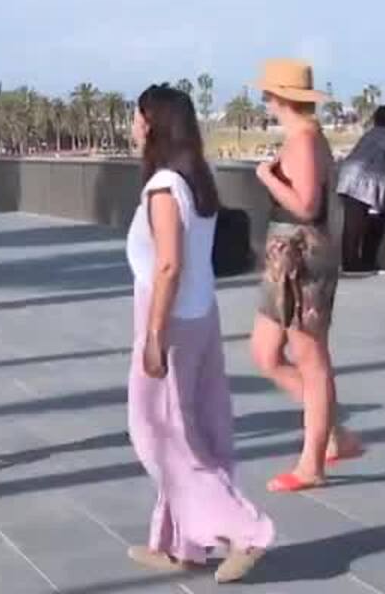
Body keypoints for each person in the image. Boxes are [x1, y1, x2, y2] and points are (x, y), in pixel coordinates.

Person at [123, 85, 273, 582]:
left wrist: (153, 336)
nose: (132, 125)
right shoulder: (195, 180)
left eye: (137, 116)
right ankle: (180, 545)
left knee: (162, 437)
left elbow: (168, 265)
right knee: (194, 430)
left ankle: (244, 531)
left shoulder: (164, 187)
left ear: (153, 124)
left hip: (171, 322)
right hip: (201, 315)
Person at [250, 59, 363, 494]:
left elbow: (306, 205)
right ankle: (335, 433)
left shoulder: (303, 139)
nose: (266, 100)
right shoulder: (301, 137)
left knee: (310, 357)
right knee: (266, 352)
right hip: (286, 257)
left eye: (268, 94)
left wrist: (265, 176)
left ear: (279, 97)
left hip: (301, 257)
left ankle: (312, 462)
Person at [337, 104, 385, 274]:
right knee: (371, 225)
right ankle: (362, 262)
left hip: (348, 180)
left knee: (354, 227)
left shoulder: (370, 134)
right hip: (364, 184)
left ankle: (352, 263)